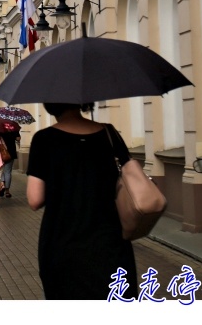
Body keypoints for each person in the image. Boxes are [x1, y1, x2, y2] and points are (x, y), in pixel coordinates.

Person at [26, 103, 137, 300]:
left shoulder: (44, 139)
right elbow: (130, 178)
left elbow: (35, 199)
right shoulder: (109, 133)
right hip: (110, 242)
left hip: (62, 244)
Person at [0, 129, 20, 198]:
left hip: (0, 152)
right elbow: (18, 138)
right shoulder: (13, 127)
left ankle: (2, 185)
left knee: (0, 171)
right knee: (8, 172)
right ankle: (7, 191)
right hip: (11, 153)